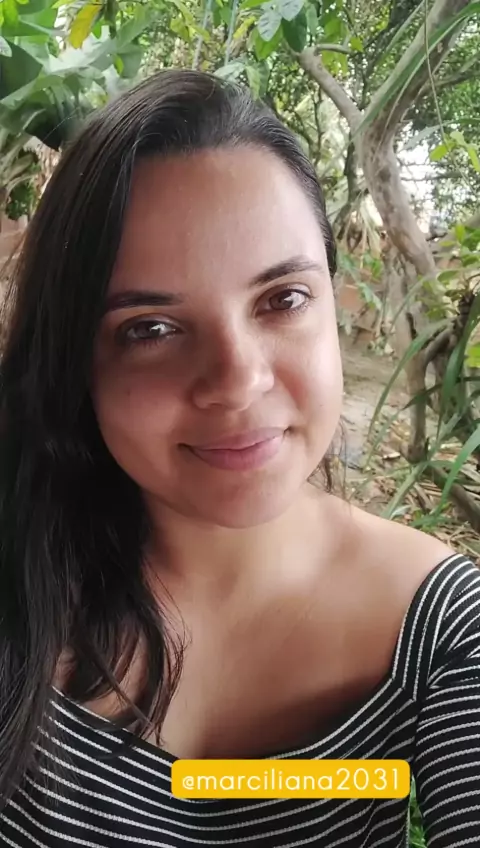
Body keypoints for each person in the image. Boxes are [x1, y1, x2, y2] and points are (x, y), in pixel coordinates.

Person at [0, 69, 478, 848]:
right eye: (150, 329)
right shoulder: (19, 565)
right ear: (77, 361)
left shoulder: (443, 631)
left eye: (282, 299)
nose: (237, 381)